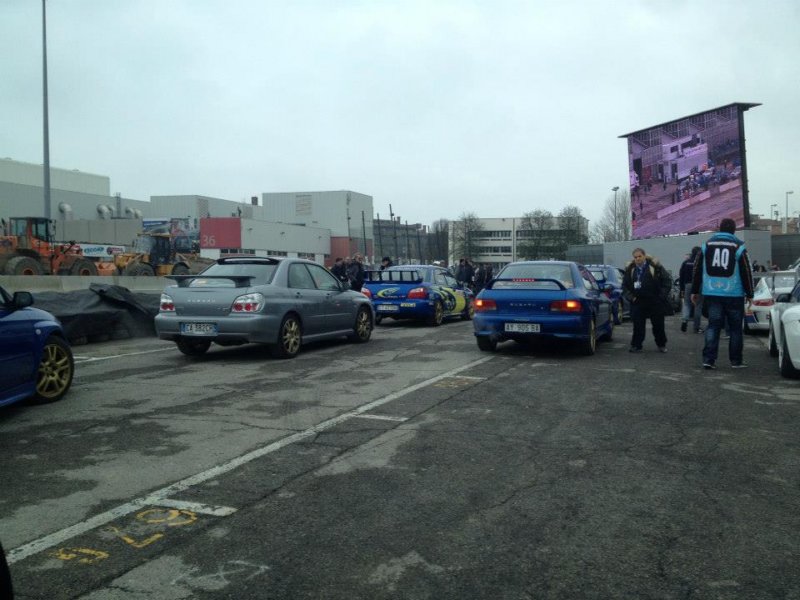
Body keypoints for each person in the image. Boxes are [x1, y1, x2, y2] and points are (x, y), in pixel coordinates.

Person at [690, 218, 755, 369]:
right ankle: (736, 361)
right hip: (734, 294)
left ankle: (708, 360)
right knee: (735, 328)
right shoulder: (739, 246)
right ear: (734, 230)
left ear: (719, 229)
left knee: (713, 326)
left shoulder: (706, 246)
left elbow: (697, 268)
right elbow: (746, 270)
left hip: (712, 293)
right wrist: (750, 293)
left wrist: (694, 290)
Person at [622, 247, 673, 353]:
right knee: (638, 325)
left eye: (640, 256)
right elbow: (625, 287)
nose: (638, 259)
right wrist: (632, 298)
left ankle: (661, 344)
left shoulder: (655, 266)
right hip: (638, 301)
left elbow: (667, 281)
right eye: (635, 257)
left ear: (644, 256)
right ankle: (636, 345)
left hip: (655, 301)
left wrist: (661, 296)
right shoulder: (630, 269)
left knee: (658, 325)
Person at [679, 246, 703, 333]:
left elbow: (681, 275)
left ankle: (685, 320)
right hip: (699, 285)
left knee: (686, 304)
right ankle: (696, 327)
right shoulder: (702, 262)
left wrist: (682, 288)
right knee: (698, 306)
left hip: (687, 284)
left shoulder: (686, 262)